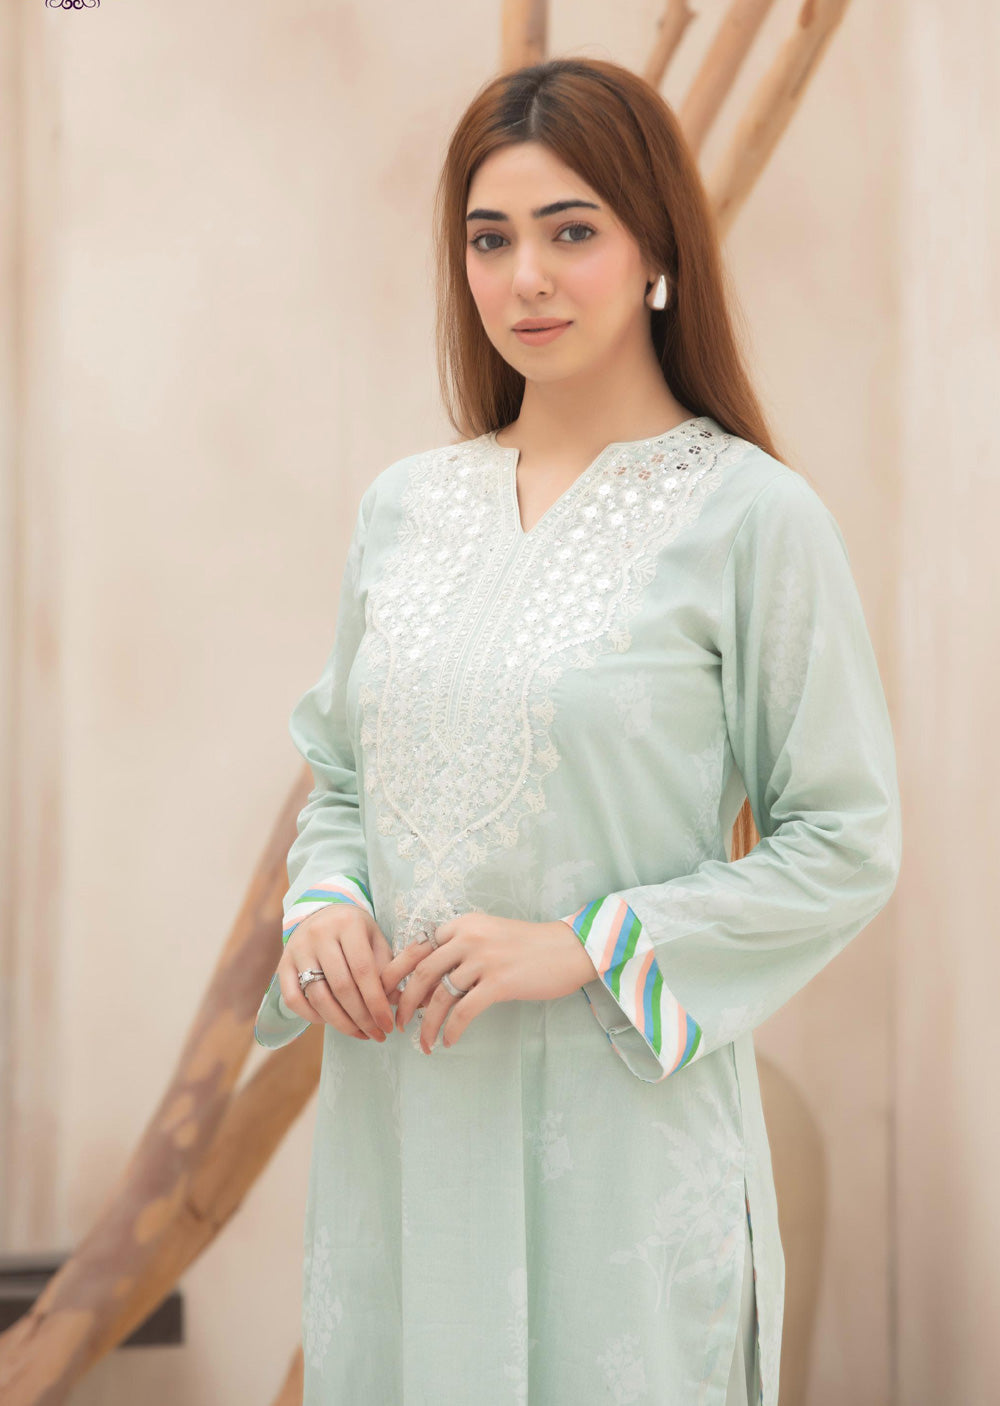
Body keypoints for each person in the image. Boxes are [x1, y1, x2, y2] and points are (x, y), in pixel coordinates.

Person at [253, 56, 901, 1406]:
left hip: (620, 1164)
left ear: (656, 248)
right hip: (403, 1142)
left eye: (572, 231)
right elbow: (341, 781)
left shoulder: (753, 519)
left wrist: (586, 946)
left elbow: (845, 840)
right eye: (490, 239)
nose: (527, 278)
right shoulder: (405, 509)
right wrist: (324, 910)